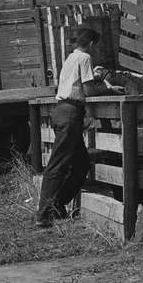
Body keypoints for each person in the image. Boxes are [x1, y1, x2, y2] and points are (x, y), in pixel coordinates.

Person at [37, 27, 124, 228]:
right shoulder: (85, 58)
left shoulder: (71, 58)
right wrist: (109, 89)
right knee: (58, 165)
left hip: (62, 111)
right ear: (92, 44)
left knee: (81, 164)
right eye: (96, 45)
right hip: (70, 113)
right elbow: (88, 89)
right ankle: (43, 214)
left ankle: (57, 204)